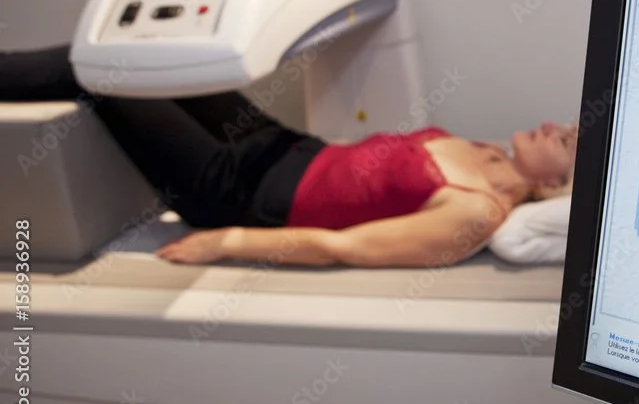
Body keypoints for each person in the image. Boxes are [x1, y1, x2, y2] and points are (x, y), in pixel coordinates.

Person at [0, 45, 577, 268]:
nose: (554, 126)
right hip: (277, 145)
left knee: (99, 72)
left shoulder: (478, 211)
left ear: (556, 187)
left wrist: (227, 242)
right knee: (152, 57)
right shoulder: (487, 153)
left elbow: (348, 247)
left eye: (566, 142)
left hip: (237, 192)